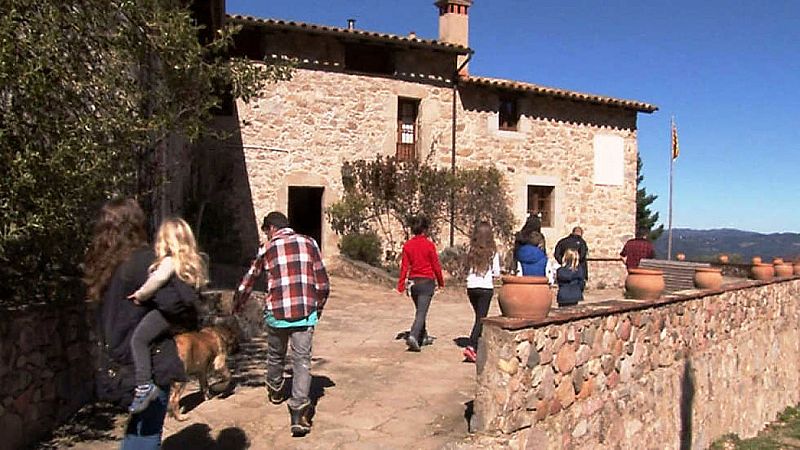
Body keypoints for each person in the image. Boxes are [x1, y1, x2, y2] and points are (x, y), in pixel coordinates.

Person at [84, 199, 195, 449]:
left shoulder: (101, 267)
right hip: (149, 365)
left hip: (115, 364)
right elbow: (179, 306)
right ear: (136, 225)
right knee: (146, 435)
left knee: (136, 431)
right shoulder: (144, 261)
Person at [234, 211, 329, 437]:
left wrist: (238, 303)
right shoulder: (310, 243)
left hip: (277, 313)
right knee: (302, 360)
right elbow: (323, 282)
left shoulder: (267, 248)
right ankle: (298, 412)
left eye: (266, 231)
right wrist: (318, 306)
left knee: (276, 354)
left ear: (271, 228)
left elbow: (250, 279)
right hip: (304, 312)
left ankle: (275, 388)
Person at [127, 218, 208, 414]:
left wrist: (140, 295)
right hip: (184, 317)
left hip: (167, 313)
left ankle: (143, 385)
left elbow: (155, 282)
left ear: (165, 241)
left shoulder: (169, 262)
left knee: (139, 340)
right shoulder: (195, 263)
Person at [396, 216, 445, 352]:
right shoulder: (429, 245)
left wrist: (401, 284)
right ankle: (413, 335)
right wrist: (441, 282)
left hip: (413, 284)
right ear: (425, 229)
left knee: (420, 310)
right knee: (421, 313)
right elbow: (436, 266)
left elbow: (404, 267)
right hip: (426, 283)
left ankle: (424, 336)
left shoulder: (407, 245)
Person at [463, 222, 501, 363]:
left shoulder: (471, 250)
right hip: (485, 288)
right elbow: (496, 272)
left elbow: (466, 268)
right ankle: (472, 346)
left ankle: (477, 344)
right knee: (481, 318)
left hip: (471, 287)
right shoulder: (492, 252)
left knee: (478, 317)